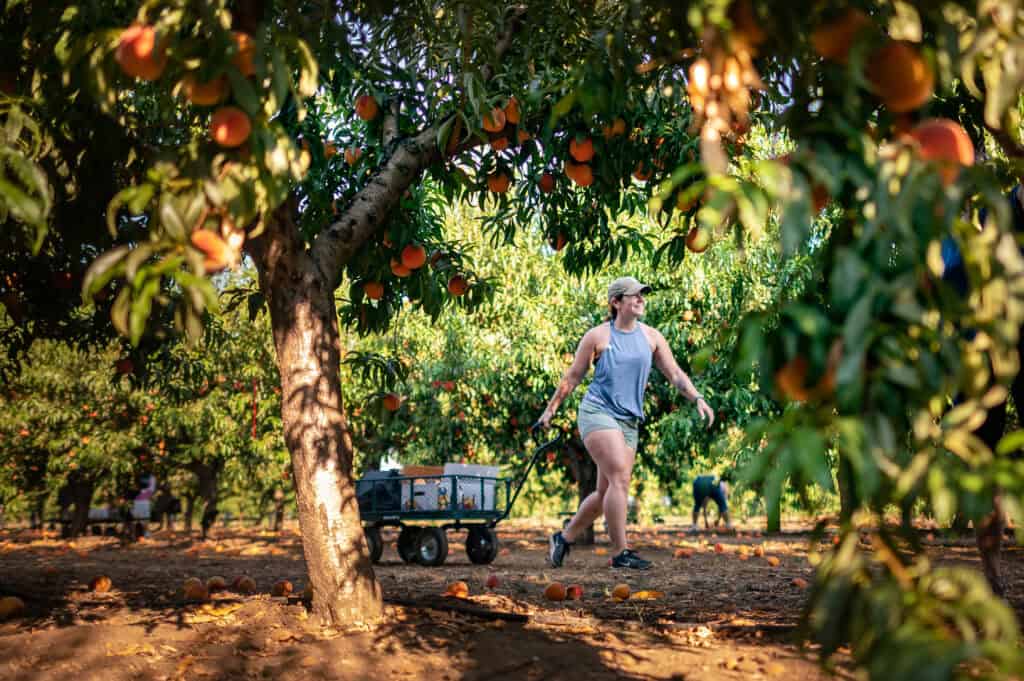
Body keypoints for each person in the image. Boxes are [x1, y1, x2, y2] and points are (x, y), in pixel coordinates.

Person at [538, 276, 716, 570]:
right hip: (597, 413)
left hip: (629, 422)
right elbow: (573, 377)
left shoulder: (652, 337)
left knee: (605, 493)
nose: (641, 299)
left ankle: (563, 538)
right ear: (616, 302)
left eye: (642, 295)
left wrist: (697, 398)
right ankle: (621, 553)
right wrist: (550, 411)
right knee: (620, 478)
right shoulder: (597, 336)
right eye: (634, 295)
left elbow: (674, 374)